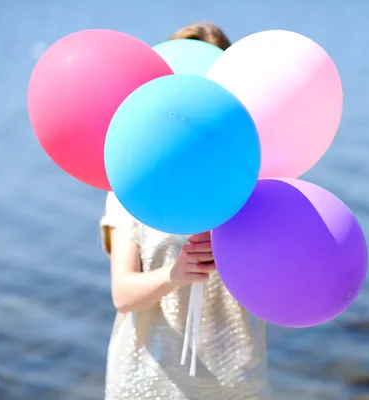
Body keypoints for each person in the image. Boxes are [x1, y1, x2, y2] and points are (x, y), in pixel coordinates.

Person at [100, 22, 271, 400]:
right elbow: (123, 295)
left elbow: (279, 285)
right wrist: (174, 274)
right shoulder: (133, 187)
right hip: (148, 382)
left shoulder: (258, 188)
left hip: (235, 382)